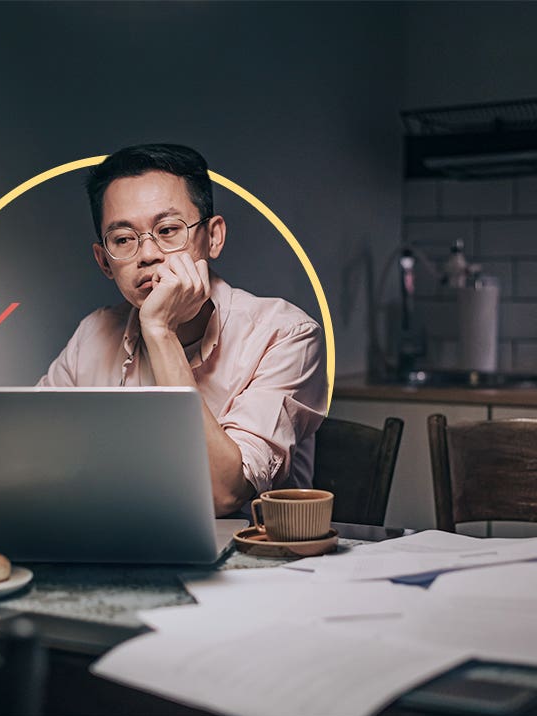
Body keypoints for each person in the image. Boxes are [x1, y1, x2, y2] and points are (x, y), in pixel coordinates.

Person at [38, 143, 328, 517]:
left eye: (168, 230)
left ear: (213, 237)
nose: (147, 254)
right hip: (122, 547)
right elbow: (34, 458)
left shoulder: (285, 334)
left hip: (256, 559)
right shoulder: (92, 335)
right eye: (123, 239)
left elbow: (221, 495)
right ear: (104, 261)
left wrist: (160, 331)